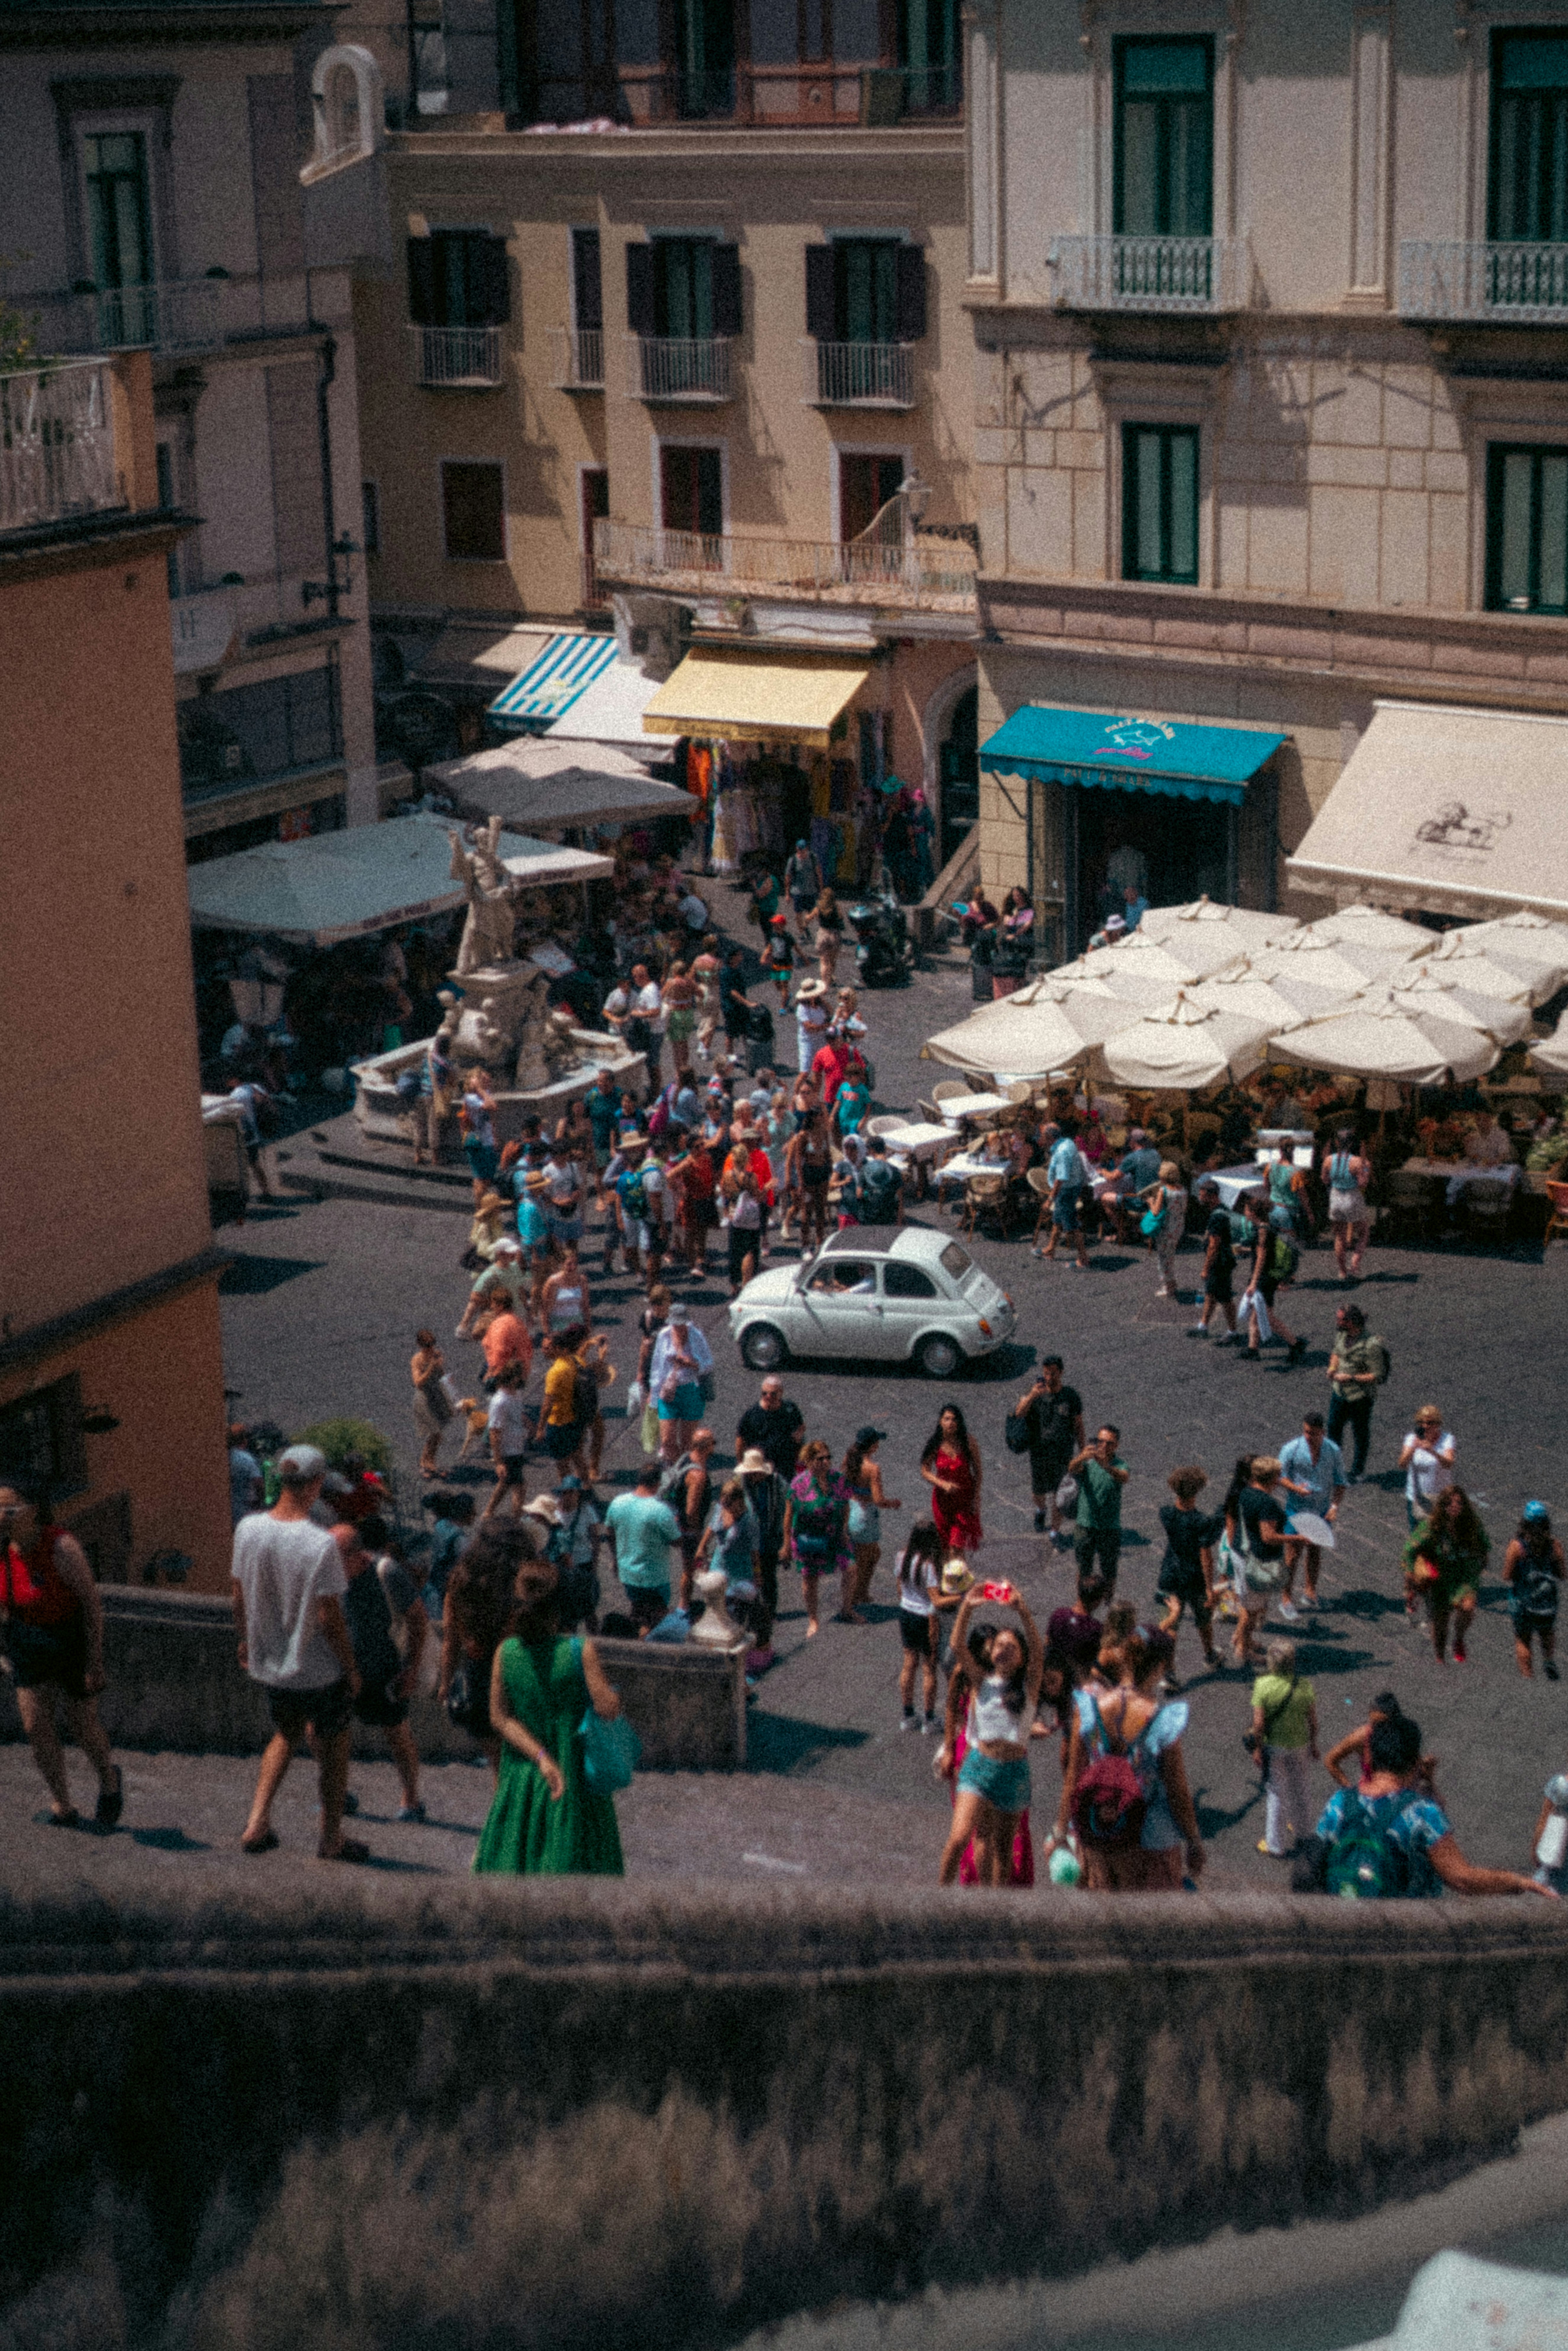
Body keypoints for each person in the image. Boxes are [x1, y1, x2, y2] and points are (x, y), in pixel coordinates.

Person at [229, 1444, 364, 1861]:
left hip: (273, 1664)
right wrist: (352, 1669)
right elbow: (330, 1619)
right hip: (319, 1669)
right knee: (335, 1748)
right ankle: (331, 1839)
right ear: (317, 1485)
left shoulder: (247, 1530)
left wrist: (246, 1640)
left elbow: (238, 1595)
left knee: (285, 1735)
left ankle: (257, 1821)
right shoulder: (320, 1545)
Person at [472, 1552, 625, 1876]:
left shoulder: (507, 1652)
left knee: (515, 1858)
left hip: (524, 1774)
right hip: (574, 1776)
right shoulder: (579, 1650)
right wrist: (614, 1696)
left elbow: (500, 1718)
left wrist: (540, 1756)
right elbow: (606, 1708)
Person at [1309, 1712, 1556, 1899]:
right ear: (1414, 1762)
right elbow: (1462, 1879)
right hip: (1397, 1931)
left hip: (1342, 1918)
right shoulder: (1422, 1813)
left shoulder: (1340, 1802)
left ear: (1370, 1759)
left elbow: (1314, 1862)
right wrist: (1517, 1882)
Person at [0, 1476, 123, 1830]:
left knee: (83, 1725)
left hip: (68, 1639)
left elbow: (91, 1604)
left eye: (10, 1510)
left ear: (33, 1511)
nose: (3, 1517)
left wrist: (94, 1661)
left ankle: (109, 1779)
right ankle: (63, 1803)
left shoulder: (60, 1547)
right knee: (35, 1725)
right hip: (27, 1639)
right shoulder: (3, 1550)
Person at [1057, 1621, 1205, 1892]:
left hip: (1099, 1830)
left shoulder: (1089, 1709)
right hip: (1150, 1838)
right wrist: (1194, 1842)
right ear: (1161, 1666)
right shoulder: (1162, 1720)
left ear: (1124, 1658)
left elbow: (1073, 1778)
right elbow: (1178, 1790)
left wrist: (1059, 1832)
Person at [938, 1582, 1045, 1887]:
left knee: (1003, 1849)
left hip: (1013, 1771)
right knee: (959, 1839)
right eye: (1000, 1644)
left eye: (1012, 1646)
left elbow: (1039, 1654)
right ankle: (938, 1900)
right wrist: (969, 1607)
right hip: (979, 1765)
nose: (1004, 1649)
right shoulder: (981, 1680)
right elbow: (958, 1645)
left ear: (1022, 1657)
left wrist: (1022, 1610)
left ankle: (994, 1908)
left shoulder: (1028, 1687)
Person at [335, 1519, 428, 1824]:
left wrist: (412, 1667)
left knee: (397, 1732)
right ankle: (338, 1791)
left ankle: (411, 1799)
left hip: (385, 1666)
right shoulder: (332, 1575)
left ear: (358, 1556)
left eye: (337, 1559)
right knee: (323, 1730)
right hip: (344, 1667)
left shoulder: (386, 1572)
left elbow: (418, 1618)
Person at [439, 1521, 530, 1774]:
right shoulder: (519, 1585)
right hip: (516, 1673)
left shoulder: (460, 1582)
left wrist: (446, 1683)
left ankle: (503, 1809)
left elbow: (450, 1640)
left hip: (478, 1673)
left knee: (497, 1763)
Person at [1249, 1636, 1318, 1860]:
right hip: (1300, 1745)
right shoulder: (1304, 1686)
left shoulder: (1263, 1686)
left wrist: (1258, 1749)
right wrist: (1314, 1745)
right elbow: (1313, 1722)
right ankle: (1305, 1834)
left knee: (1276, 1794)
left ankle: (1275, 1844)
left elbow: (1259, 1725)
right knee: (1302, 1788)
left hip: (1274, 1746)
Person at [1403, 1483, 1488, 1665]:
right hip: (1441, 1580)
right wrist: (1412, 1574)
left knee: (1467, 1608)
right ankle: (1440, 1657)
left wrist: (1479, 1567)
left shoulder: (1473, 1526)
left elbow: (1484, 1547)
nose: (1455, 1506)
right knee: (1440, 1624)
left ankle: (1459, 1638)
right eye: (1450, 1503)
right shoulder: (1432, 1527)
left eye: (1459, 1503)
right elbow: (1410, 1550)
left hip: (1464, 1577)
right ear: (1443, 1506)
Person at [1278, 1411, 1346, 1615]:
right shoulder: (1291, 1449)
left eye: (1314, 1433)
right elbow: (1280, 1476)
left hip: (1321, 1510)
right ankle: (1286, 1598)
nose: (1309, 1437)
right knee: (1293, 1554)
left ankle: (1310, 1592)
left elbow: (1341, 1482)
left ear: (1323, 1433)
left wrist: (1334, 1507)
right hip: (1297, 1510)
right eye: (1306, 1432)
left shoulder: (1333, 1451)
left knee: (1316, 1550)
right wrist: (1296, 1489)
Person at [1156, 1466, 1220, 1678]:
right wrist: (1210, 1588)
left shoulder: (1166, 1514)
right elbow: (1206, 1557)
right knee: (1203, 1617)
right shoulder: (1201, 1522)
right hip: (1195, 1577)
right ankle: (1210, 1654)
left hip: (1171, 1574)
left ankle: (1170, 1671)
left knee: (1172, 1623)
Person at [1012, 1358, 1085, 1542]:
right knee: (1038, 1492)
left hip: (1063, 1454)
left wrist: (1083, 1451)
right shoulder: (1036, 1395)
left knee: (1059, 1494)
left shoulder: (1071, 1396)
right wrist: (1032, 1396)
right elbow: (1019, 1414)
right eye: (1046, 1373)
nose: (1049, 1377)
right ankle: (1041, 1510)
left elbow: (1078, 1425)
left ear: (1061, 1372)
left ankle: (1055, 1530)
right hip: (1039, 1454)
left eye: (1053, 1373)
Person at [784, 1438, 851, 1640]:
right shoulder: (799, 1485)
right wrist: (786, 1545)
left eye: (828, 1458)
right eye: (820, 1459)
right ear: (809, 1461)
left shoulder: (838, 1479)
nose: (826, 1462)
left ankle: (847, 1609)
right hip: (809, 1538)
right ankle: (813, 1619)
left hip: (834, 1534)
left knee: (851, 1568)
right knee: (811, 1580)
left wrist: (845, 1530)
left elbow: (846, 1505)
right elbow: (788, 1517)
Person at [605, 1462, 682, 1633]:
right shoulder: (661, 1511)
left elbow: (610, 1532)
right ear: (658, 1483)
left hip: (628, 1574)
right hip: (654, 1578)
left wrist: (616, 1558)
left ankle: (632, 1640)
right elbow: (677, 1541)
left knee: (638, 1611)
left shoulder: (618, 1503)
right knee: (654, 1621)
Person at [1227, 1454, 1287, 1667]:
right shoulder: (1267, 1503)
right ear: (1273, 1479)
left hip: (1240, 1552)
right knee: (1252, 1611)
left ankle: (1242, 1638)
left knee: (1246, 1603)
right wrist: (1298, 1538)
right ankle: (1243, 1648)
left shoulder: (1245, 1493)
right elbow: (1269, 1537)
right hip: (1256, 1561)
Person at [1240, 1191, 1306, 1365]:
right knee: (1257, 1313)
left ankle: (1296, 1344)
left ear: (1253, 1213)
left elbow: (1262, 1257)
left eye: (1246, 1210)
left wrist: (1254, 1283)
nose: (1244, 1212)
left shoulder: (1263, 1231)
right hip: (1266, 1277)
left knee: (1267, 1317)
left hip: (1264, 1279)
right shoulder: (1266, 1227)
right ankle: (1253, 1349)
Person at [895, 1521, 950, 1733]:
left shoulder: (902, 1557)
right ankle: (929, 1719)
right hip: (925, 1618)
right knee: (929, 1669)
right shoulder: (930, 1565)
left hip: (906, 1613)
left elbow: (899, 1587)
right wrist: (961, 1597)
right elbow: (935, 1601)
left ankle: (908, 1715)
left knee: (909, 1664)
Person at [736, 1445, 789, 1661]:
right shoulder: (740, 1486)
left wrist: (787, 1541)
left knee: (769, 1577)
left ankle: (770, 1611)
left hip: (770, 1538)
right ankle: (751, 1612)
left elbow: (788, 1508)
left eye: (755, 1472)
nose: (753, 1476)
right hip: (748, 1540)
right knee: (749, 1577)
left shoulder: (777, 1484)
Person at [842, 1425, 900, 1620]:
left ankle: (862, 1593)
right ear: (873, 1446)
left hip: (851, 1510)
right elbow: (878, 1499)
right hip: (866, 1516)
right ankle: (854, 1600)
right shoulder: (873, 1469)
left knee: (873, 1554)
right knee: (863, 1559)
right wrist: (893, 1503)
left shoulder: (848, 1461)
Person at [1503, 1502, 1564, 1681]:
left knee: (1523, 1639)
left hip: (1523, 1603)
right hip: (1547, 1604)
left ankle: (1529, 1678)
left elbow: (1506, 1575)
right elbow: (1562, 1574)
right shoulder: (1555, 1546)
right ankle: (1548, 1660)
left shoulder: (1517, 1547)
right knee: (1547, 1632)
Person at [1326, 1303, 1387, 1481]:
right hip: (1340, 1393)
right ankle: (1335, 1468)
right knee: (1333, 1430)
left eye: (1340, 1319)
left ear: (1351, 1322)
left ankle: (1358, 1470)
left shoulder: (1371, 1345)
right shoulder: (1342, 1334)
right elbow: (1336, 1353)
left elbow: (1378, 1376)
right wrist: (1332, 1368)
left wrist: (1352, 1377)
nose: (1337, 1322)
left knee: (1360, 1433)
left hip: (1360, 1397)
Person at [1068, 1424, 1128, 1606]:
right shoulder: (1088, 1462)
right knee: (1083, 1568)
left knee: (1109, 1570)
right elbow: (1072, 1469)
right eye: (1100, 1441)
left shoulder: (1120, 1465)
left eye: (1109, 1443)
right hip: (1086, 1525)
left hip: (1109, 1527)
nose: (1103, 1446)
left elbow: (1123, 1477)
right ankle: (1082, 1601)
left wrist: (1107, 1467)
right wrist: (1081, 1458)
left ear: (1116, 1446)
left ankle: (1108, 1602)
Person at [920, 1406, 982, 1560]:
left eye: (954, 1419)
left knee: (957, 1546)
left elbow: (978, 1472)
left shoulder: (968, 1442)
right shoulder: (936, 1444)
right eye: (947, 1419)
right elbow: (925, 1470)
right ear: (941, 1422)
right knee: (945, 1547)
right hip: (943, 1502)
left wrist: (976, 1498)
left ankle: (959, 1580)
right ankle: (949, 1579)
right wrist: (941, 1483)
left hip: (964, 1500)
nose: (951, 1423)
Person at [1188, 1179, 1239, 1340]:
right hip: (1222, 1262)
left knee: (1225, 1298)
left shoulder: (1217, 1217)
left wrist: (1206, 1268)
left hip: (1220, 1263)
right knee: (1211, 1294)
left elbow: (1214, 1246)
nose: (1200, 1199)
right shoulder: (1222, 1211)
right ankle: (1203, 1326)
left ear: (1212, 1196)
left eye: (1203, 1196)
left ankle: (1233, 1332)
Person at [1321, 1130, 1373, 1283]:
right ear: (1352, 1144)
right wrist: (1366, 1167)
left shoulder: (1329, 1160)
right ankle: (1355, 1262)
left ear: (1337, 1143)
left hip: (1336, 1197)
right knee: (1363, 1232)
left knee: (1340, 1237)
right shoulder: (1358, 1162)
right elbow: (1363, 1183)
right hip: (1352, 1197)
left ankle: (1342, 1271)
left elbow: (1325, 1180)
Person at [736, 1374, 805, 1481]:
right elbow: (741, 1441)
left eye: (773, 1394)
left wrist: (798, 1439)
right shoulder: (752, 1415)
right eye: (764, 1393)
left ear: (781, 1393)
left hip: (785, 1464)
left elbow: (801, 1427)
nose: (768, 1397)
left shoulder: (790, 1409)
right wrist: (742, 1463)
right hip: (761, 1467)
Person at [1041, 1121, 1090, 1270]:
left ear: (1049, 1137)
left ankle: (1084, 1259)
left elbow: (1061, 1178)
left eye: (1043, 1135)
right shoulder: (1068, 1142)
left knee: (1072, 1225)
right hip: (1072, 1188)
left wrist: (1050, 1199)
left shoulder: (1062, 1152)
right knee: (1057, 1219)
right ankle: (1050, 1249)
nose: (1041, 1138)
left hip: (1066, 1191)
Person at [1398, 1407, 1457, 1530]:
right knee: (1417, 1536)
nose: (1425, 1426)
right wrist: (1413, 1448)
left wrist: (1432, 1451)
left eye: (1430, 1423)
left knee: (1440, 1534)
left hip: (1440, 1497)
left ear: (1438, 1424)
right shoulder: (1411, 1439)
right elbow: (1402, 1464)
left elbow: (1449, 1464)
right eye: (1421, 1423)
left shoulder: (1447, 1440)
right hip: (1417, 1497)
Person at [411, 1329, 451, 1481]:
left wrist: (440, 1366)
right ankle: (425, 1463)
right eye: (428, 1345)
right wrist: (431, 1367)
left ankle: (431, 1463)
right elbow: (418, 1383)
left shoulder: (436, 1354)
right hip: (425, 1399)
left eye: (433, 1344)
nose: (431, 1348)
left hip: (437, 1396)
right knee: (434, 1433)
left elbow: (441, 1375)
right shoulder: (417, 1360)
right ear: (420, 1345)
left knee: (437, 1433)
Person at [854, 1133, 903, 1227]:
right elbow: (900, 1199)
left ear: (872, 1150)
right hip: (889, 1218)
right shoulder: (895, 1171)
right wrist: (900, 1221)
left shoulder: (866, 1169)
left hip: (870, 1217)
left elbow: (859, 1194)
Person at [785, 838, 823, 936]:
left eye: (803, 849)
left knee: (813, 913)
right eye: (799, 849)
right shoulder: (793, 860)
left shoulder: (813, 858)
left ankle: (805, 925)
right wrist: (787, 893)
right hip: (798, 891)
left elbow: (819, 873)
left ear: (807, 849)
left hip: (811, 891)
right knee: (799, 913)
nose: (801, 852)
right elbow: (788, 877)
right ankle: (802, 933)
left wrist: (821, 889)